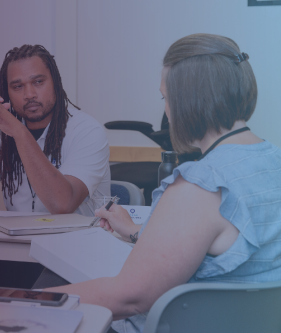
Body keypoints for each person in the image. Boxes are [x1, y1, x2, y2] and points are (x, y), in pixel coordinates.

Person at [43, 33, 281, 333]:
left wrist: (28, 301)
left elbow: (131, 299)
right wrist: (134, 232)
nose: (167, 109)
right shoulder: (273, 162)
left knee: (45, 290)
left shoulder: (201, 184)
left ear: (187, 101)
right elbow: (221, 244)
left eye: (165, 98)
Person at [0, 44, 110, 293]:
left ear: (55, 83)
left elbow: (62, 203)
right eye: (18, 86)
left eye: (38, 82)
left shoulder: (87, 131)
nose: (29, 94)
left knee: (38, 301)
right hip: (21, 252)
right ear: (7, 93)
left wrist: (18, 131)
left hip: (77, 253)